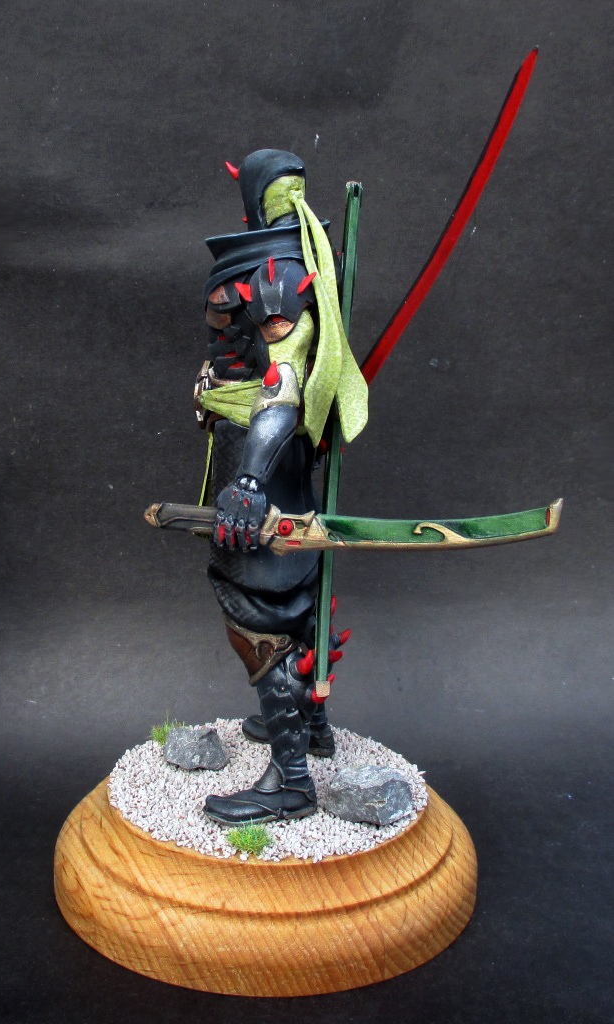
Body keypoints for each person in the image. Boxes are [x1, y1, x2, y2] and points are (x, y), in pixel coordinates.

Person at [195, 149, 368, 824]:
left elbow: (282, 386)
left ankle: (290, 780)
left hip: (264, 477)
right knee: (293, 607)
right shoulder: (284, 265)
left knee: (256, 613)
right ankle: (309, 725)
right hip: (267, 468)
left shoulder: (276, 275)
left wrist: (247, 480)